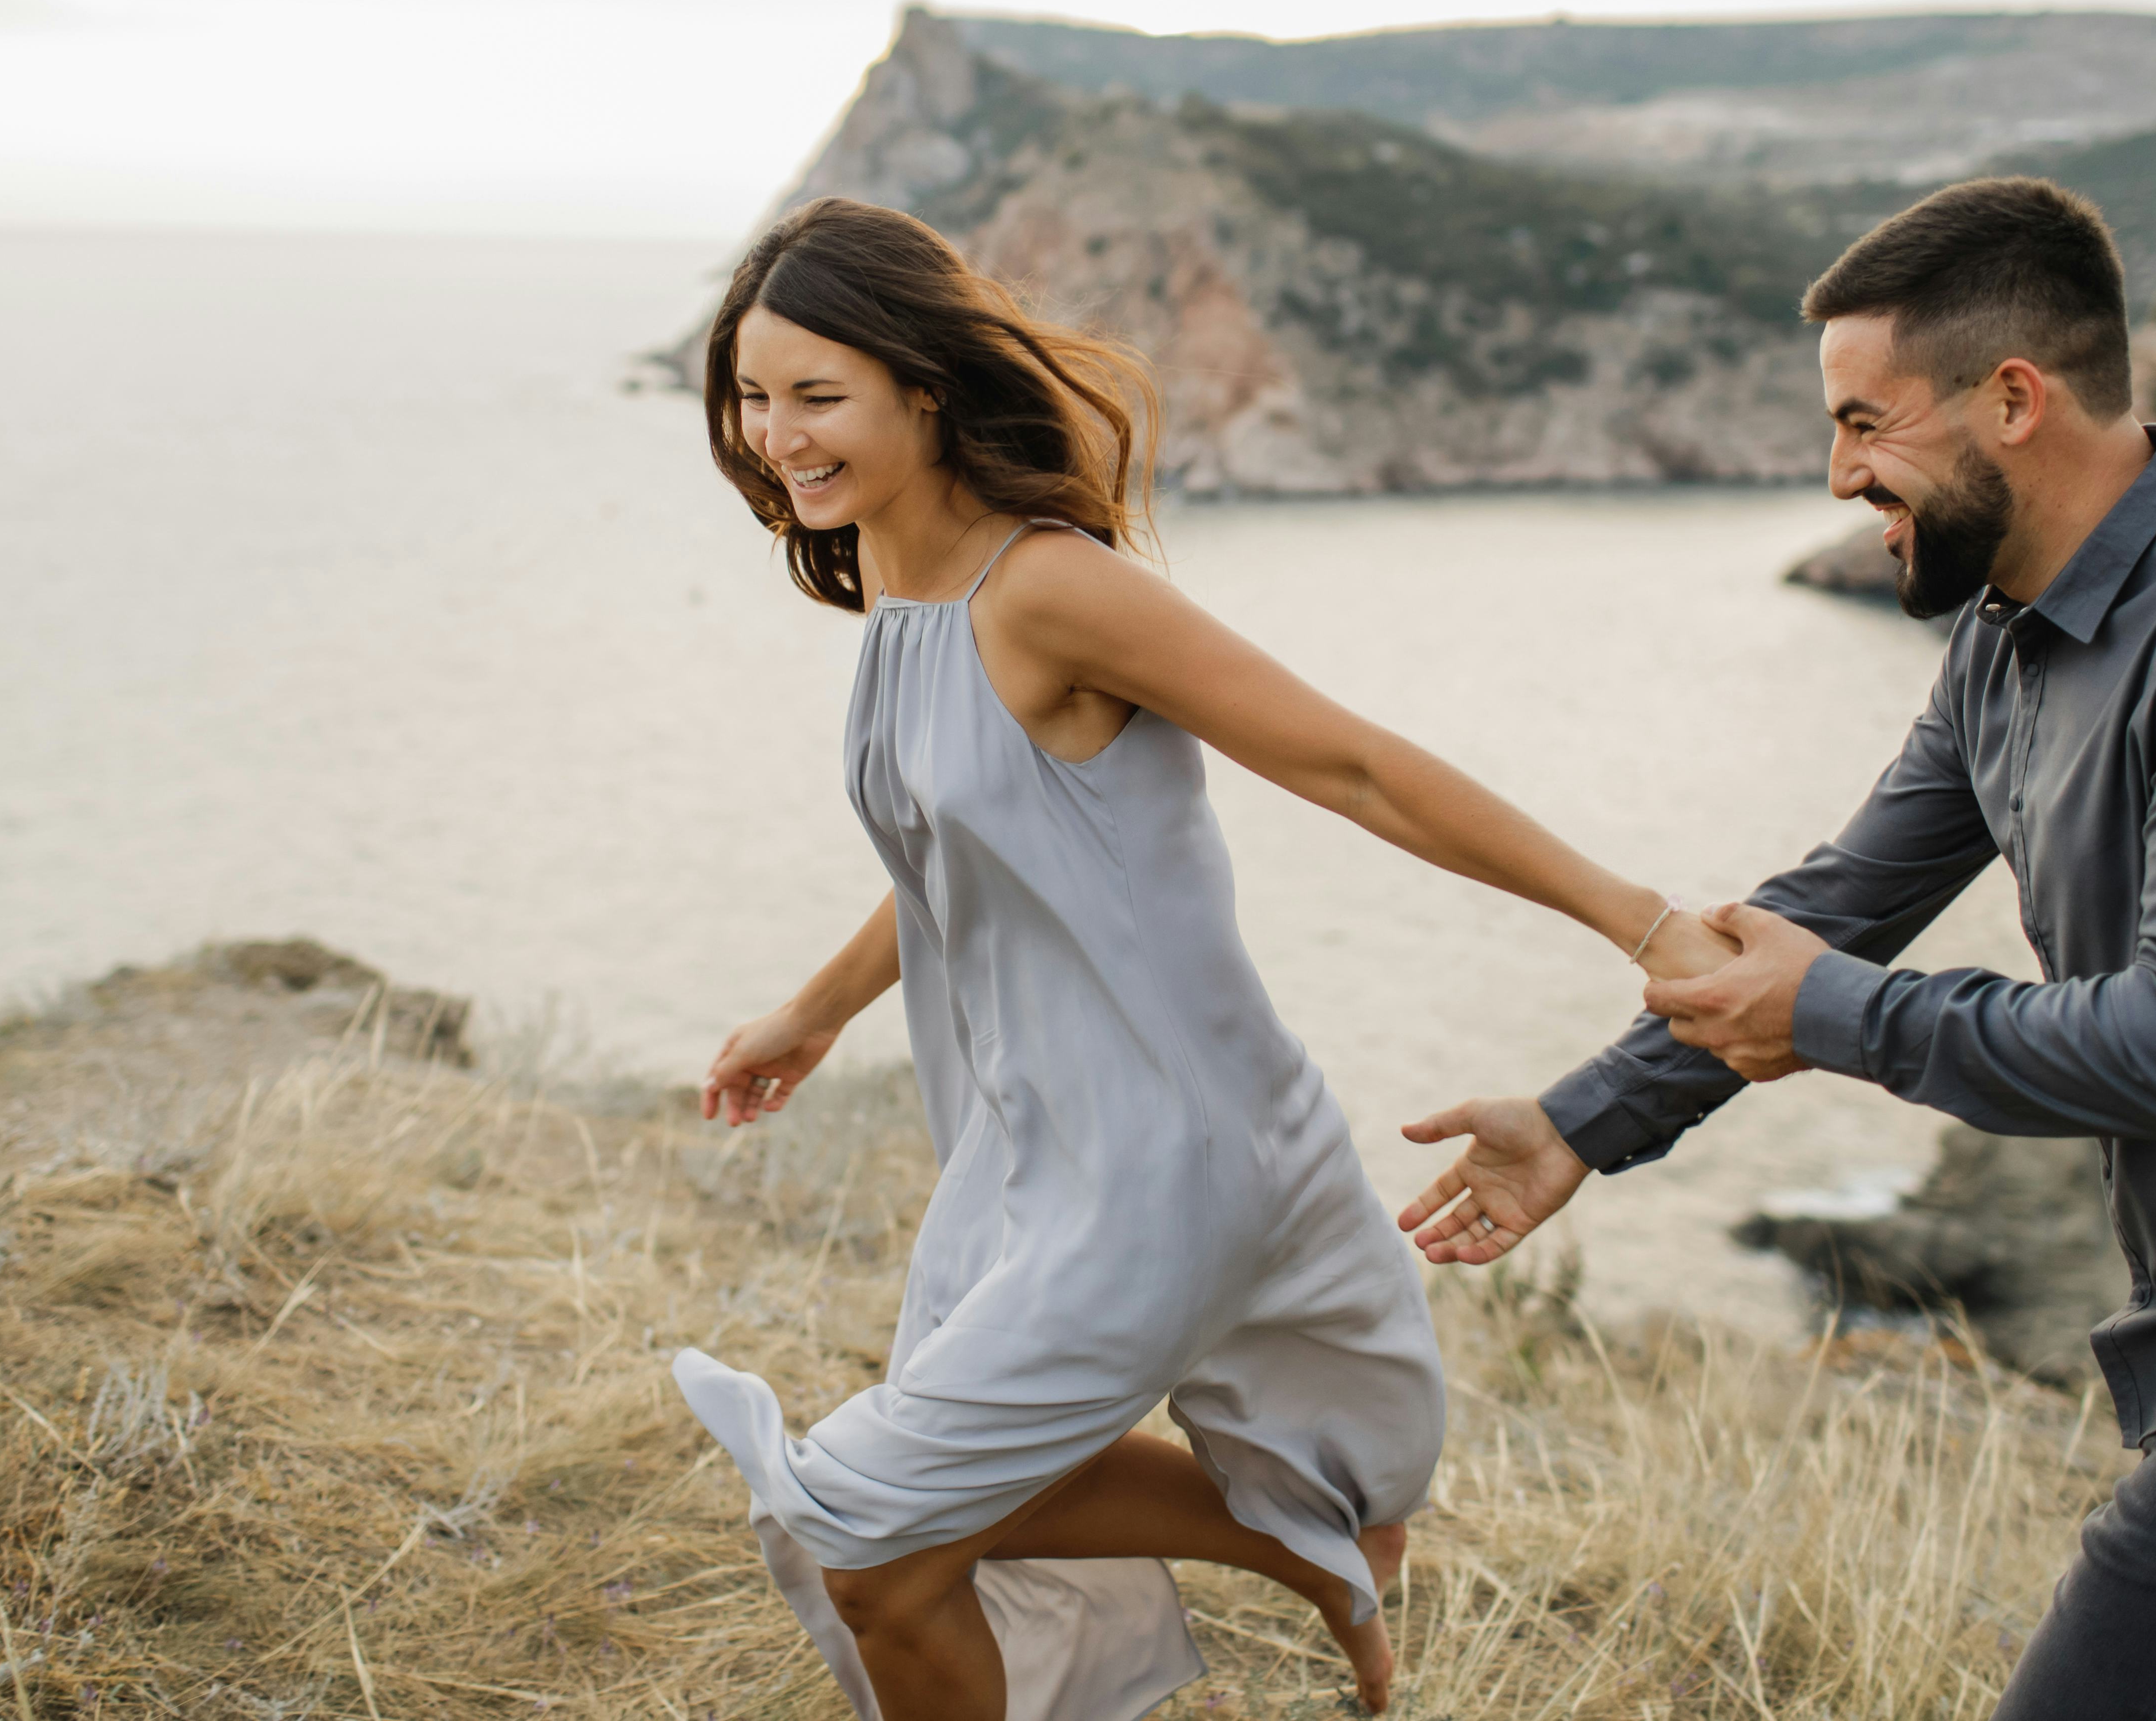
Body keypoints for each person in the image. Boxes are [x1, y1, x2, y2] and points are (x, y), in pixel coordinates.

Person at [1401, 177, 2156, 1721]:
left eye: (1865, 422)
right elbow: (1839, 899)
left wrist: (1841, 1016)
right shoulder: (2012, 635)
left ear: (2015, 399)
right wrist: (1584, 1118)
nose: (1837, 473)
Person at [669, 197, 1734, 1721]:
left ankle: (1307, 1547)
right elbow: (969, 858)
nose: (778, 434)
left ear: (924, 384)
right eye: (755, 395)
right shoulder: (899, 597)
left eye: (816, 394)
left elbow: (1356, 765)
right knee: (907, 1532)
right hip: (1033, 1146)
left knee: (865, 1535)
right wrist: (817, 1008)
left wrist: (1641, 918)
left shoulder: (1047, 588)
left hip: (1159, 1153)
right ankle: (1308, 1545)